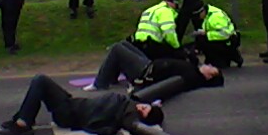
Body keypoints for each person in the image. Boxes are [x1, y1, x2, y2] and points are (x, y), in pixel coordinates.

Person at [0, 73, 164, 135]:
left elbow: (133, 125)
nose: (141, 107)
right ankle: (22, 118)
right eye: (145, 106)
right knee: (41, 84)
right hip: (72, 104)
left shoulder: (129, 115)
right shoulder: (132, 104)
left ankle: (22, 124)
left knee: (40, 81)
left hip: (70, 112)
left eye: (143, 111)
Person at [83, 40, 222, 92]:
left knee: (117, 49)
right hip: (149, 64)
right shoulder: (194, 69)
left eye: (211, 68)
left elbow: (169, 87)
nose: (208, 65)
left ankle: (100, 83)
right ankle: (111, 77)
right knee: (124, 44)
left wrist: (145, 91)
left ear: (209, 76)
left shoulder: (191, 77)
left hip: (145, 72)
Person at [190, 1, 243, 68]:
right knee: (200, 39)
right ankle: (214, 59)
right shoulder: (208, 14)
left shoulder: (216, 16)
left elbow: (225, 34)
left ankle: (232, 55)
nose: (198, 18)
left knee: (203, 40)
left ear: (202, 11)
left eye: (197, 16)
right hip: (223, 40)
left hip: (229, 41)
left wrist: (207, 34)